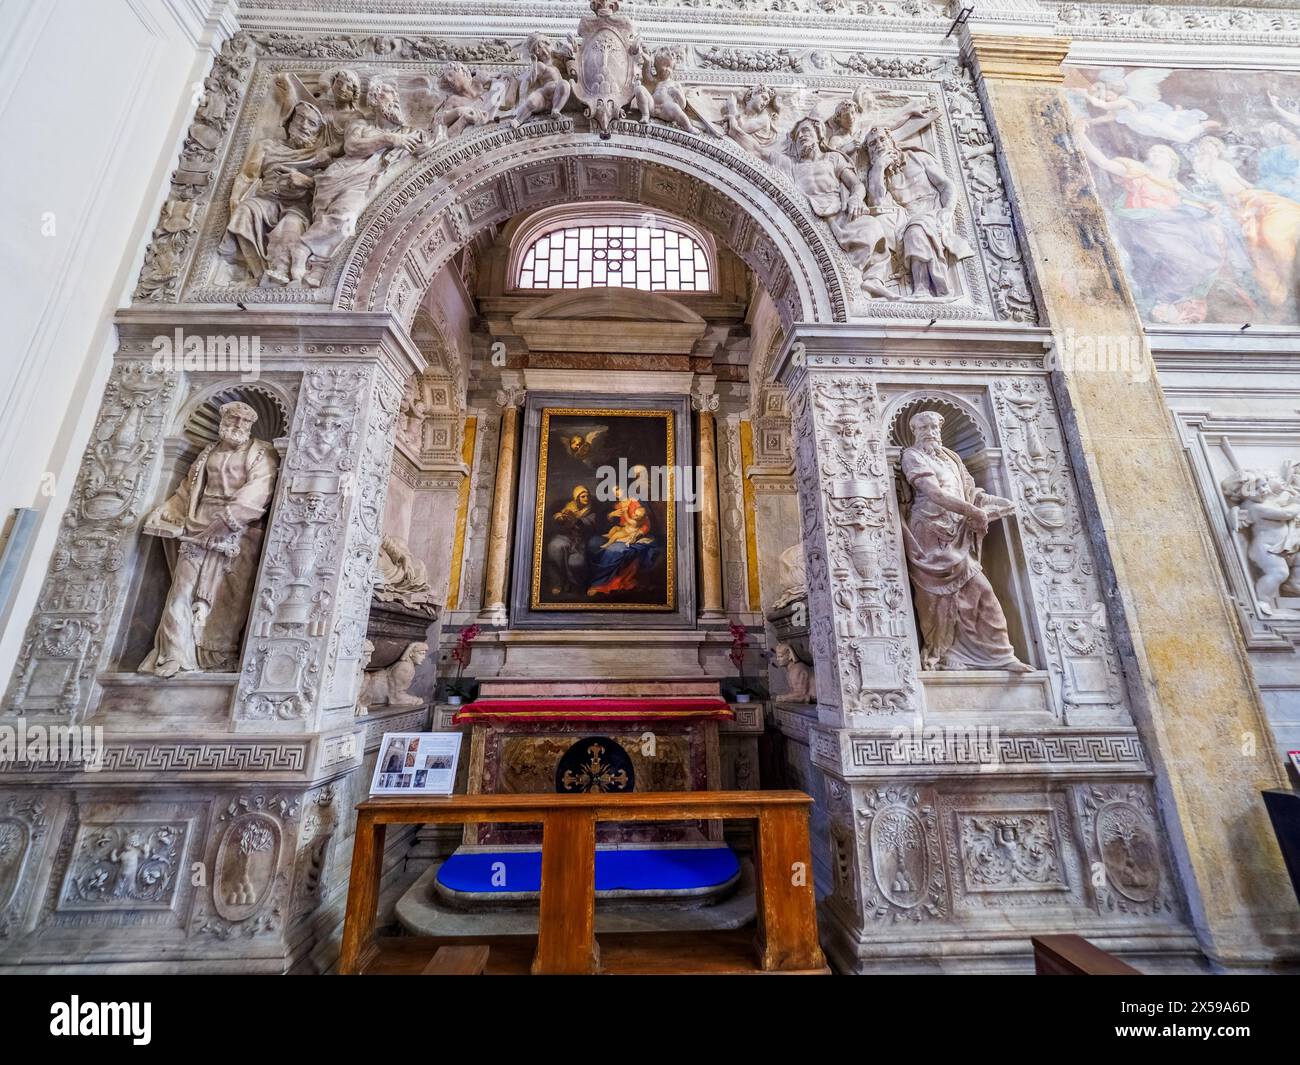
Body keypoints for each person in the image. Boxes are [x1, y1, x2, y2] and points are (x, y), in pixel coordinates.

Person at [139, 402, 280, 676]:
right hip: (196, 526)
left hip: (238, 534)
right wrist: (167, 512)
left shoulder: (261, 453)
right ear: (222, 420)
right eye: (233, 418)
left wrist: (229, 518)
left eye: (243, 420)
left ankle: (216, 655)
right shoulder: (207, 453)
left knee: (226, 599)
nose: (237, 424)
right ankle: (175, 654)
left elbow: (260, 489)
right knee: (181, 591)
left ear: (250, 426)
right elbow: (187, 490)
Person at [899, 411, 1030, 672]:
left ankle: (1001, 654)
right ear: (914, 431)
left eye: (934, 426)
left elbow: (969, 492)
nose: (930, 431)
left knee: (982, 593)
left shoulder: (952, 458)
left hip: (958, 532)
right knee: (934, 600)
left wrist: (993, 503)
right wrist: (972, 512)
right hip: (930, 536)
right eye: (923, 427)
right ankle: (943, 653)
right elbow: (933, 492)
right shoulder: (912, 456)